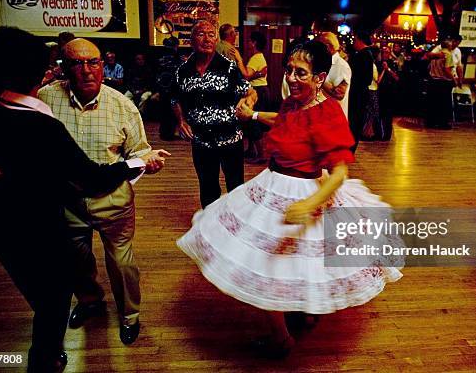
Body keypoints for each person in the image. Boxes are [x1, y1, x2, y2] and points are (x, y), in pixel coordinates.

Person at [177, 40, 402, 357]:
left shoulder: (328, 115)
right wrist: (253, 115)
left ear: (320, 77)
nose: (293, 78)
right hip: (272, 185)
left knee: (274, 266)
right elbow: (284, 121)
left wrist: (309, 205)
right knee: (280, 264)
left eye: (302, 73)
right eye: (290, 71)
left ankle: (283, 335)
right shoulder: (293, 103)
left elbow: (338, 174)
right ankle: (301, 317)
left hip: (303, 191)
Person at [0, 27, 167, 372]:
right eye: (77, 63)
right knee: (76, 261)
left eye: (93, 62)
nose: (86, 70)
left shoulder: (123, 105)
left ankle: (130, 315)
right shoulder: (44, 99)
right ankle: (90, 302)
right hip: (65, 202)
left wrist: (145, 161)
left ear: (104, 66)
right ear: (62, 67)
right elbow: (7, 136)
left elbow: (139, 149)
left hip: (111, 199)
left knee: (121, 262)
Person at [171, 20, 257, 208]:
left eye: (211, 34)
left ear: (216, 38)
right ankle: (211, 227)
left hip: (230, 140)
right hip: (201, 141)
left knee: (235, 187)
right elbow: (174, 98)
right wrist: (181, 120)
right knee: (208, 186)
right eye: (201, 34)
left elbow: (250, 91)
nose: (207, 39)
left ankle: (236, 226)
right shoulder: (182, 71)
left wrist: (247, 103)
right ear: (192, 39)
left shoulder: (229, 67)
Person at [242, 31, 270, 162]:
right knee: (252, 121)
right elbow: (258, 73)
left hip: (258, 91)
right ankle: (252, 150)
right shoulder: (259, 57)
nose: (248, 43)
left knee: (254, 121)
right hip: (261, 89)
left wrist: (237, 60)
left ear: (254, 43)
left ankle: (261, 154)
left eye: (250, 41)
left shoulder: (255, 58)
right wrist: (258, 74)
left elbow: (246, 75)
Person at [348, 30, 376, 151]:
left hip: (357, 94)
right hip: (362, 93)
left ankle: (350, 149)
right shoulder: (367, 54)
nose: (353, 43)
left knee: (354, 122)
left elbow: (360, 78)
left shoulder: (362, 55)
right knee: (356, 122)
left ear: (359, 40)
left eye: (355, 40)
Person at [316, 31, 352, 118]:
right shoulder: (323, 62)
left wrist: (319, 77)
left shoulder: (341, 66)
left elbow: (339, 94)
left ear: (328, 46)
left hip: (335, 119)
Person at [424, 38, 457, 129]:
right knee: (444, 104)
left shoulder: (434, 55)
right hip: (443, 82)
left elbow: (429, 66)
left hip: (433, 81)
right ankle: (442, 124)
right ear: (449, 46)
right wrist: (453, 79)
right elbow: (447, 70)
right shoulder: (448, 55)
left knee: (433, 103)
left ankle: (430, 123)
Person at [156, 36, 184, 140]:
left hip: (165, 87)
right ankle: (168, 132)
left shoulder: (161, 59)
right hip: (172, 88)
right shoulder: (177, 59)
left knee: (166, 110)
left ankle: (166, 132)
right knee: (172, 111)